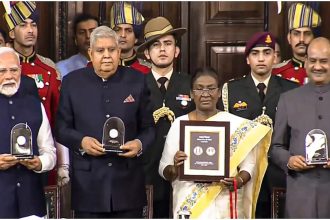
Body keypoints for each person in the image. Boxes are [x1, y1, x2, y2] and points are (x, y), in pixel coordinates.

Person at [55, 26, 155, 218]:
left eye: (111, 50)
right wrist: (81, 141)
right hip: (88, 187)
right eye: (100, 51)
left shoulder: (137, 80)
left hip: (128, 185)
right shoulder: (71, 82)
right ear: (91, 54)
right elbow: (61, 128)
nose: (107, 55)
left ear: (119, 52)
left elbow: (149, 128)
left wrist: (139, 144)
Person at [159, 67, 272, 218]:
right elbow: (163, 168)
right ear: (192, 94)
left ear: (219, 93)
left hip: (225, 200)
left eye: (211, 88)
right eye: (199, 89)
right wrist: (175, 168)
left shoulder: (234, 124)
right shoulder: (179, 124)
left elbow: (249, 165)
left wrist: (239, 180)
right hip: (190, 203)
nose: (205, 94)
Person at [221, 32, 299, 218]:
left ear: (275, 57)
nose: (261, 58)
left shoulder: (291, 90)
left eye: (267, 53)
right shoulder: (231, 90)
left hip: (279, 173)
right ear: (248, 59)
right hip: (242, 175)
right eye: (255, 54)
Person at [3, 1, 68, 185]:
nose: (30, 30)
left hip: (41, 155)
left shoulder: (48, 68)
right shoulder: (3, 67)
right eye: (23, 25)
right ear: (11, 32)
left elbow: (59, 120)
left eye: (34, 24)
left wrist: (64, 165)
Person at [137, 16, 194, 218]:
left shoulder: (191, 85)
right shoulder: (136, 86)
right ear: (146, 53)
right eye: (156, 45)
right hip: (145, 171)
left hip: (184, 171)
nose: (162, 49)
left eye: (168, 44)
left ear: (176, 51)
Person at [270, 37, 330, 218]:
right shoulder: (288, 99)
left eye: (324, 61)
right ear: (305, 63)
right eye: (313, 61)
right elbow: (275, 148)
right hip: (300, 195)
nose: (317, 67)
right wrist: (289, 160)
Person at [0, 47, 56, 218]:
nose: (9, 76)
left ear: (21, 71)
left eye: (14, 70)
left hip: (31, 204)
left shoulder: (35, 105)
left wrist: (39, 163)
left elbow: (50, 153)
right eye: (2, 71)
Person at [272, 3, 322, 85]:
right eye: (296, 34)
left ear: (314, 38)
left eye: (307, 33)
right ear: (289, 38)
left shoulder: (325, 71)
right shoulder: (276, 72)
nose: (302, 39)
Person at [109, 1, 151, 74]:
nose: (123, 35)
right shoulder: (98, 68)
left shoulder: (147, 71)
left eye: (128, 30)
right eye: (117, 30)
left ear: (136, 39)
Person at [56, 13, 99, 78]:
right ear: (75, 39)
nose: (88, 36)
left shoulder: (112, 64)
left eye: (92, 31)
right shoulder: (61, 69)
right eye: (82, 32)